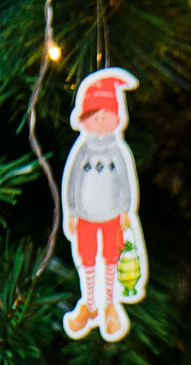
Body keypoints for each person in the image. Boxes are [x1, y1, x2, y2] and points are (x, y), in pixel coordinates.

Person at [61, 68, 140, 342]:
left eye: (106, 116)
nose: (100, 122)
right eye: (95, 116)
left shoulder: (117, 151)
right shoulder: (82, 150)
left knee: (111, 256)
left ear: (117, 118)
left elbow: (125, 182)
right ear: (84, 119)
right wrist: (71, 211)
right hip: (85, 215)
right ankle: (90, 304)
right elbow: (72, 182)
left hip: (112, 216)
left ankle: (109, 305)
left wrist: (125, 210)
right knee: (87, 258)